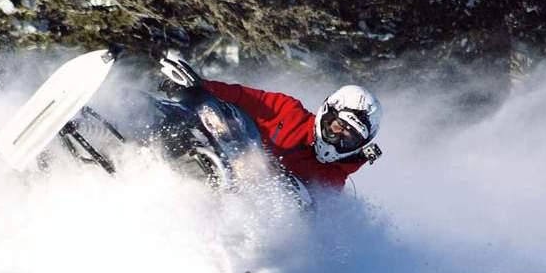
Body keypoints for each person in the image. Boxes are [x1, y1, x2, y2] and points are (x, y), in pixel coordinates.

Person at [159, 54, 383, 191]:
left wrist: (356, 160)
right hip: (224, 148)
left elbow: (312, 206)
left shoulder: (332, 175)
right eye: (338, 127)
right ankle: (138, 119)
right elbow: (241, 96)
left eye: (349, 137)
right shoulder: (289, 110)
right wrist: (199, 85)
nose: (338, 139)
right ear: (327, 113)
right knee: (208, 111)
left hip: (248, 197)